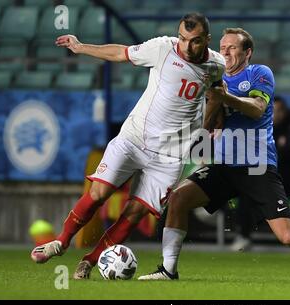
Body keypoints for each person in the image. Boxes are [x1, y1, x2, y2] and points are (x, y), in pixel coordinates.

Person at [138, 28, 290, 284]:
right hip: (223, 165)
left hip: (257, 166)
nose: (225, 51)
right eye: (223, 47)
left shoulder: (258, 73)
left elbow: (257, 109)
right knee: (178, 199)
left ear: (247, 52)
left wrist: (225, 98)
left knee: (288, 237)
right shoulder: (211, 76)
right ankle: (168, 270)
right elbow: (206, 123)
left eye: (233, 47)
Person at [30, 13, 226, 280]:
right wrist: (81, 47)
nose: (187, 47)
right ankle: (61, 242)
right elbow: (121, 53)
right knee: (98, 193)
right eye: (183, 39)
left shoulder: (216, 64)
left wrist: (210, 125)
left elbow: (216, 92)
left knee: (134, 213)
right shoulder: (162, 49)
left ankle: (89, 261)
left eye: (195, 41)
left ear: (207, 40)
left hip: (170, 155)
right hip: (134, 139)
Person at [229, 97, 290, 252]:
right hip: (267, 179)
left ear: (284, 112)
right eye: (272, 111)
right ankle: (242, 234)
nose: (274, 115)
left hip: (288, 182)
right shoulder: (263, 130)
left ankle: (246, 234)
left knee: (252, 191)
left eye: (278, 111)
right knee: (245, 190)